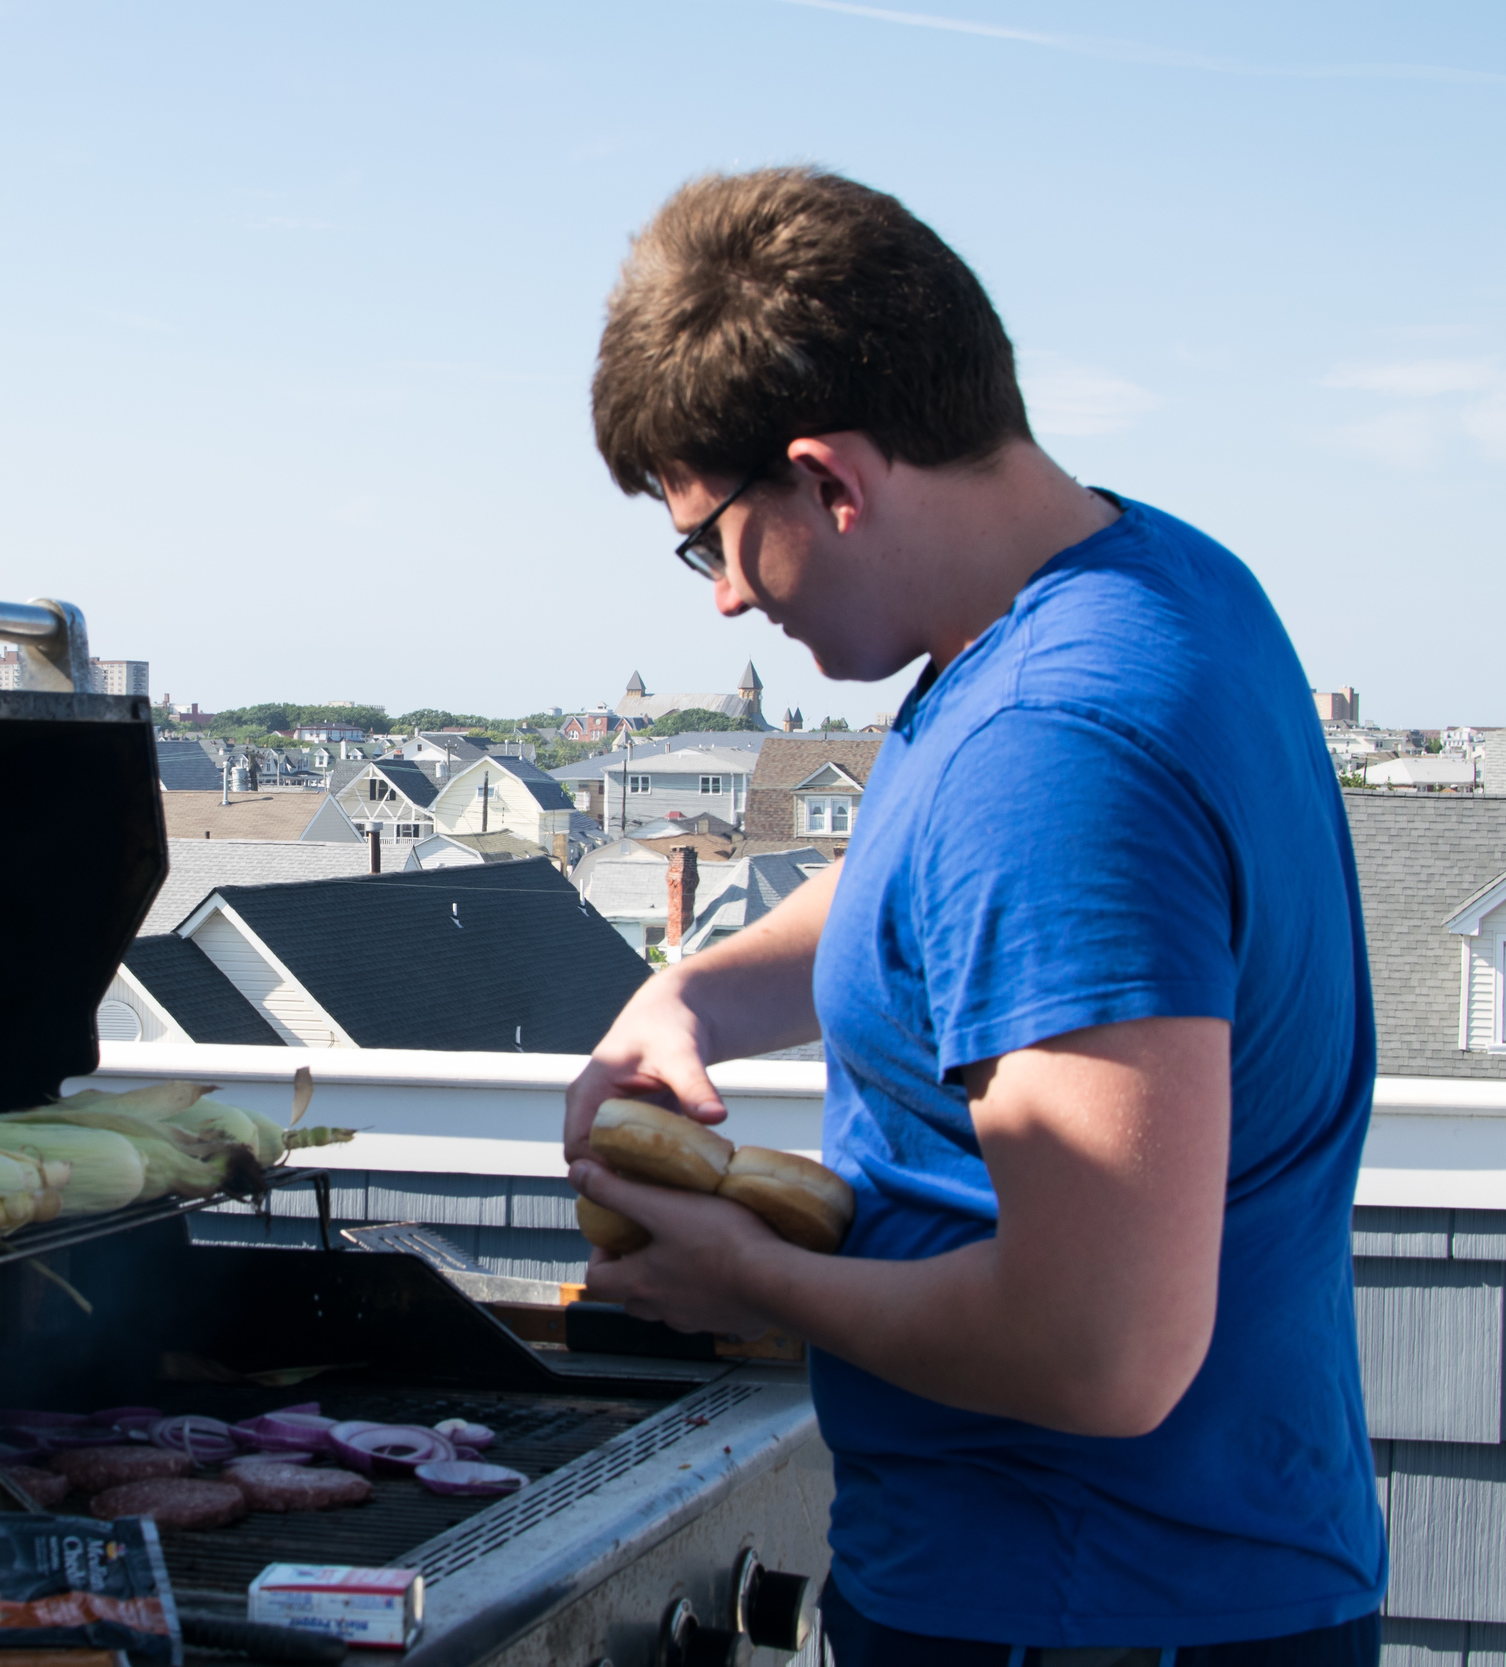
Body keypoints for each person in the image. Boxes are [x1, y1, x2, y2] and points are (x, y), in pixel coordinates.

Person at [570, 167, 1382, 1663]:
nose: (728, 605)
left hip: (1082, 1611)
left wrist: (745, 1277)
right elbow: (922, 876)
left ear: (831, 479)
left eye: (715, 540)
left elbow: (1105, 1353)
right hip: (1174, 1586)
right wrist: (691, 1000)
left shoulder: (1053, 747)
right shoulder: (1141, 586)